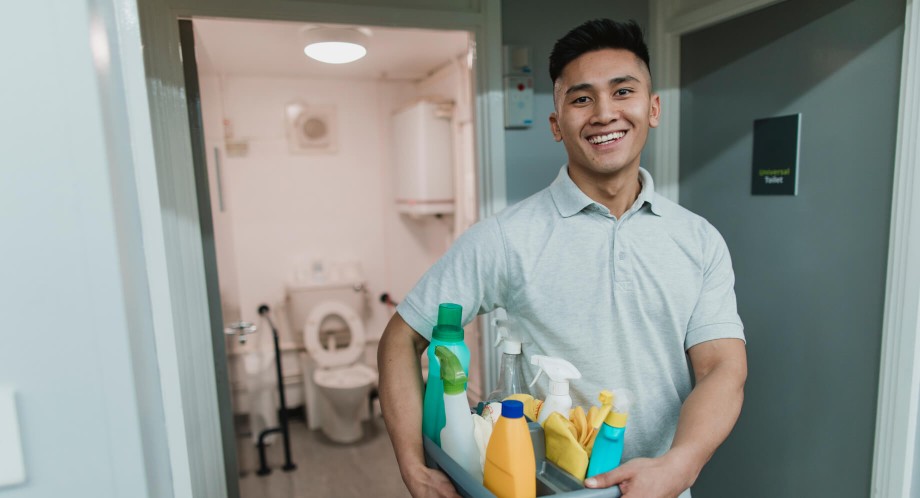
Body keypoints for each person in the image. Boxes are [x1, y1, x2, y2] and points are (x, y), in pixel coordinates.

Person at [377, 18, 747, 498]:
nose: (603, 113)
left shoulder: (699, 240)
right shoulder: (507, 238)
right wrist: (414, 467)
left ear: (652, 108)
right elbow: (401, 338)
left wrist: (681, 464)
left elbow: (722, 368)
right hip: (549, 490)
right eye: (581, 98)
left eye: (622, 92)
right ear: (557, 124)